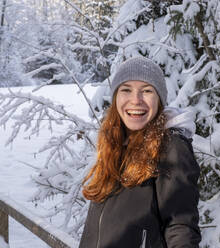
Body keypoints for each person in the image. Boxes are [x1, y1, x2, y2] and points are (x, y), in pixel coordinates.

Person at [79, 57, 201, 248]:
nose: (135, 100)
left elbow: (180, 225)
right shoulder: (115, 145)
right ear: (116, 97)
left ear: (159, 99)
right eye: (126, 90)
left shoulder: (171, 147)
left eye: (146, 91)